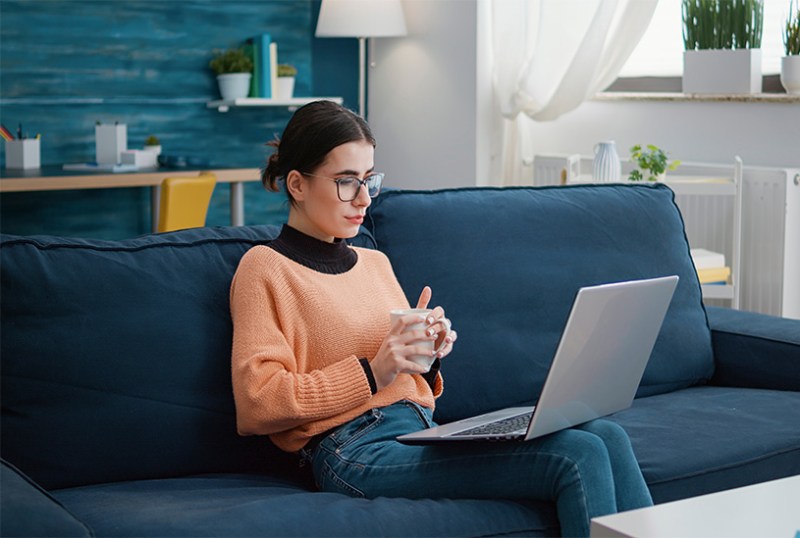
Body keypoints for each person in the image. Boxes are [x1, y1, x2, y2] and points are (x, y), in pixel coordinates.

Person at [229, 100, 653, 537]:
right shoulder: (265, 268)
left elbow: (403, 372)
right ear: (297, 184)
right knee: (575, 454)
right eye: (345, 182)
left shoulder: (374, 263)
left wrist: (427, 355)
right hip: (353, 449)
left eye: (369, 179)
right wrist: (374, 371)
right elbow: (258, 403)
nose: (364, 198)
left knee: (606, 436)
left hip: (420, 429)